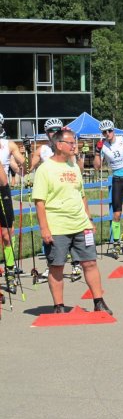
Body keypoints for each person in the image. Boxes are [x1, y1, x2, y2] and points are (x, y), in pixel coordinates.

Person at [32, 129, 112, 314]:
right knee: (57, 266)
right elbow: (39, 202)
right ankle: (59, 306)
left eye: (74, 142)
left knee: (90, 262)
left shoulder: (74, 166)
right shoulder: (45, 169)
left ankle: (98, 302)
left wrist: (89, 219)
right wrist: (44, 229)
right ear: (59, 145)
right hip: (57, 226)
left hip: (80, 224)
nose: (75, 146)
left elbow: (81, 195)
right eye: (71, 143)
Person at [31, 118, 84, 283]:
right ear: (47, 133)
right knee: (53, 236)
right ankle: (52, 265)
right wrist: (27, 153)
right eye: (51, 130)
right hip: (51, 189)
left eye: (57, 130)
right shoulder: (43, 149)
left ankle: (76, 263)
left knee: (74, 231)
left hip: (68, 186)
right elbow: (27, 168)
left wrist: (73, 145)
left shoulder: (67, 147)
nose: (54, 133)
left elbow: (77, 167)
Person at [94, 119, 123, 257]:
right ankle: (116, 243)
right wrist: (97, 151)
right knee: (116, 214)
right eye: (104, 132)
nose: (107, 133)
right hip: (117, 180)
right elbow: (97, 167)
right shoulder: (103, 146)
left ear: (114, 130)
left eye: (110, 130)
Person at [0, 113, 26, 294]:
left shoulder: (8, 144)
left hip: (3, 190)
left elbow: (20, 166)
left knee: (7, 233)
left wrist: (24, 161)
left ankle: (10, 270)